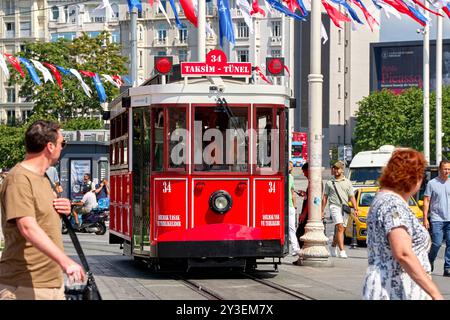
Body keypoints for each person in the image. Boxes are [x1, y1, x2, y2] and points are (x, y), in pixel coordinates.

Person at [0, 120, 85, 300]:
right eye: (63, 143)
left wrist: (64, 209)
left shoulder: (44, 178)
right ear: (50, 146)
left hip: (50, 285)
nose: (63, 148)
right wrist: (66, 262)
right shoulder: (19, 179)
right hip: (24, 286)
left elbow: (42, 218)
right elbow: (27, 227)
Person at [362, 149, 443, 300]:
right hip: (397, 288)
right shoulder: (393, 205)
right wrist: (435, 293)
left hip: (387, 285)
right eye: (421, 177)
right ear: (412, 178)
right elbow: (403, 253)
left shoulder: (383, 199)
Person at [322, 160, 358, 259]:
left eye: (338, 168)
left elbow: (351, 197)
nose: (335, 170)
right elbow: (325, 197)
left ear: (342, 170)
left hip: (345, 208)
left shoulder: (347, 182)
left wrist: (355, 208)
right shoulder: (329, 183)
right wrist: (322, 210)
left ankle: (333, 246)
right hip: (334, 206)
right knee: (340, 227)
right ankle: (342, 251)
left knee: (341, 230)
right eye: (334, 168)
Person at [423, 159, 450, 277]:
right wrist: (425, 218)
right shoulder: (432, 183)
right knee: (437, 243)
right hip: (436, 218)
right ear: (440, 169)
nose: (447, 171)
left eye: (449, 169)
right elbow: (426, 201)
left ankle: (447, 268)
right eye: (445, 169)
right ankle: (430, 259)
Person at [288, 161, 301, 256]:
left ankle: (295, 247)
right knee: (291, 227)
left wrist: (295, 205)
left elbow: (292, 193)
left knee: (291, 227)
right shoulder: (290, 177)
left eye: (291, 167)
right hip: (288, 205)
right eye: (290, 166)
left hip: (289, 205)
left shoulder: (290, 177)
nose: (290, 168)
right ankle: (294, 247)